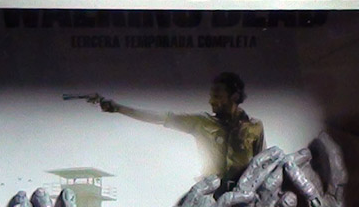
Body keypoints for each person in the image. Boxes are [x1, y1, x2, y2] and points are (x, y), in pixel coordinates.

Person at [99, 73, 265, 189]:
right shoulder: (201, 122)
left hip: (243, 198)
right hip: (210, 196)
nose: (211, 101)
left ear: (234, 97)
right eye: (211, 95)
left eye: (217, 96)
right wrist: (119, 108)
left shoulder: (255, 127)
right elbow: (162, 117)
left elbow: (262, 165)